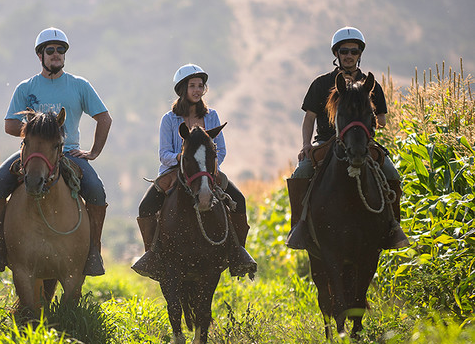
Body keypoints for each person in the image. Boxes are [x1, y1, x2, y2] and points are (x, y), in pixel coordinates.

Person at [0, 28, 112, 275]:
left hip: (68, 153)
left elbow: (104, 119)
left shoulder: (80, 85)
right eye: (50, 51)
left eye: (60, 50)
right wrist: (35, 133)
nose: (56, 55)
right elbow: (9, 125)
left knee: (96, 190)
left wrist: (93, 152)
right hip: (31, 154)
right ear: (40, 55)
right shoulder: (25, 87)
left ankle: (93, 252)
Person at [286, 27, 409, 249]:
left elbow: (382, 119)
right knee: (301, 172)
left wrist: (366, 120)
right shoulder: (322, 83)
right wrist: (306, 145)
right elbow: (309, 118)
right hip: (326, 141)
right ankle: (299, 226)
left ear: (360, 54)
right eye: (344, 51)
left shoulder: (371, 84)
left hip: (362, 142)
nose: (349, 55)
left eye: (354, 51)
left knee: (391, 171)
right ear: (337, 54)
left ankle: (393, 226)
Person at [133, 64, 257, 280]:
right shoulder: (169, 119)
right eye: (192, 86)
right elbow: (164, 154)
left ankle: (238, 253)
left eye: (201, 86)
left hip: (207, 171)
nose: (197, 90)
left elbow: (222, 149)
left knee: (239, 200)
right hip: (174, 171)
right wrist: (181, 158)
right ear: (182, 89)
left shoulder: (212, 116)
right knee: (145, 206)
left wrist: (210, 167)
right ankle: (152, 255)